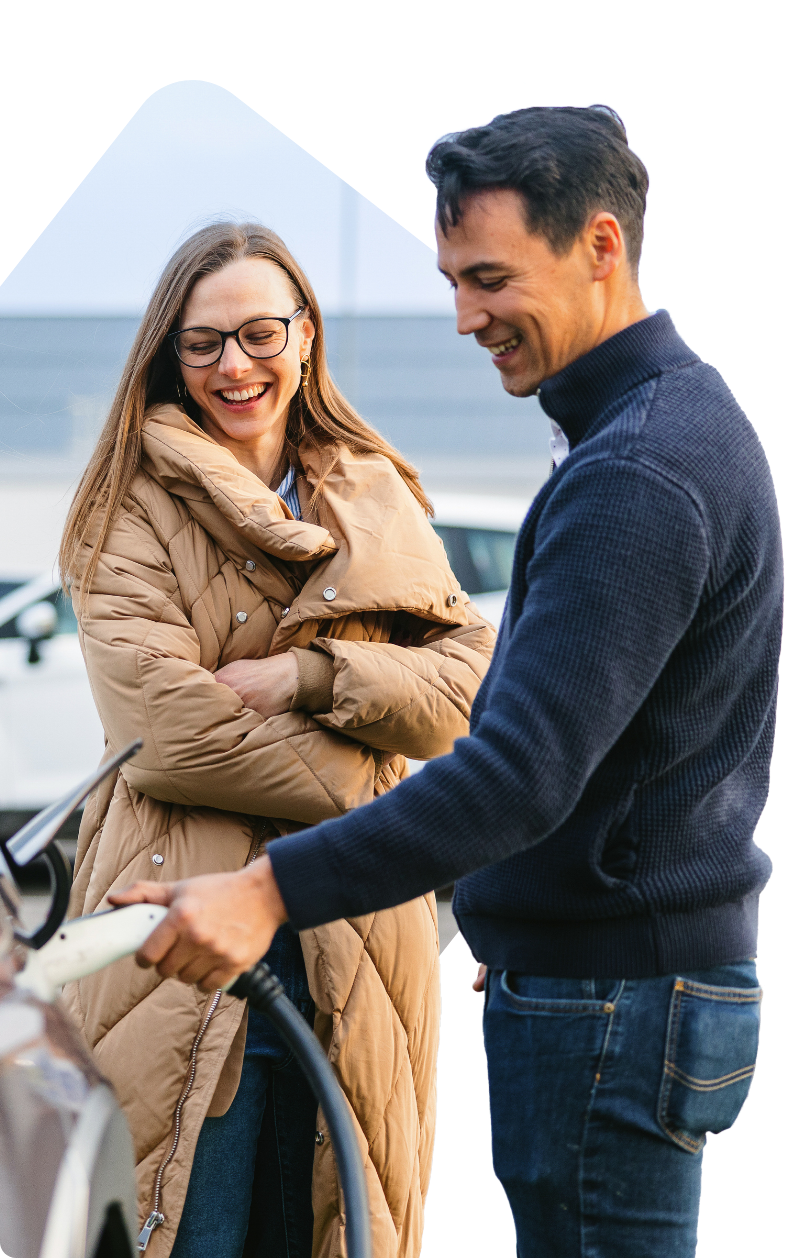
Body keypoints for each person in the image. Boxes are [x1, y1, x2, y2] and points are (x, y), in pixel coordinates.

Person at [113, 104, 781, 1257]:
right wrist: (519, 910)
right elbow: (599, 745)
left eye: (488, 278)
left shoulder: (636, 471)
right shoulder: (651, 427)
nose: (465, 316)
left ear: (601, 246)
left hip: (611, 1002)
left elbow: (512, 765)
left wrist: (264, 890)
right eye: (451, 278)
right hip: (604, 979)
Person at [59, 221, 496, 1258]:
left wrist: (308, 674)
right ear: (170, 354)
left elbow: (464, 692)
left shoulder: (376, 493)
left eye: (259, 333)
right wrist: (397, 808)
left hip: (358, 955)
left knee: (336, 1225)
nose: (233, 366)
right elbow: (170, 739)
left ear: (305, 336)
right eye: (202, 343)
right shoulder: (129, 504)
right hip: (176, 951)